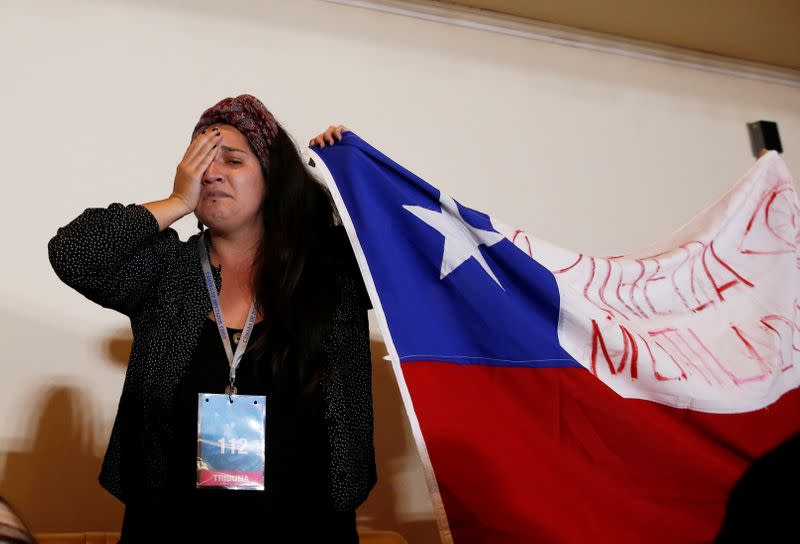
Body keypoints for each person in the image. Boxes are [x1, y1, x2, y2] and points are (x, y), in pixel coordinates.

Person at [48, 95, 375, 542]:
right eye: (200, 162)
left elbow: (406, 259)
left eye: (233, 160)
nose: (213, 172)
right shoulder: (167, 272)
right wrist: (177, 201)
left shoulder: (330, 274)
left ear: (273, 178)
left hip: (308, 528)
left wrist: (352, 177)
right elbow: (73, 252)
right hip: (170, 529)